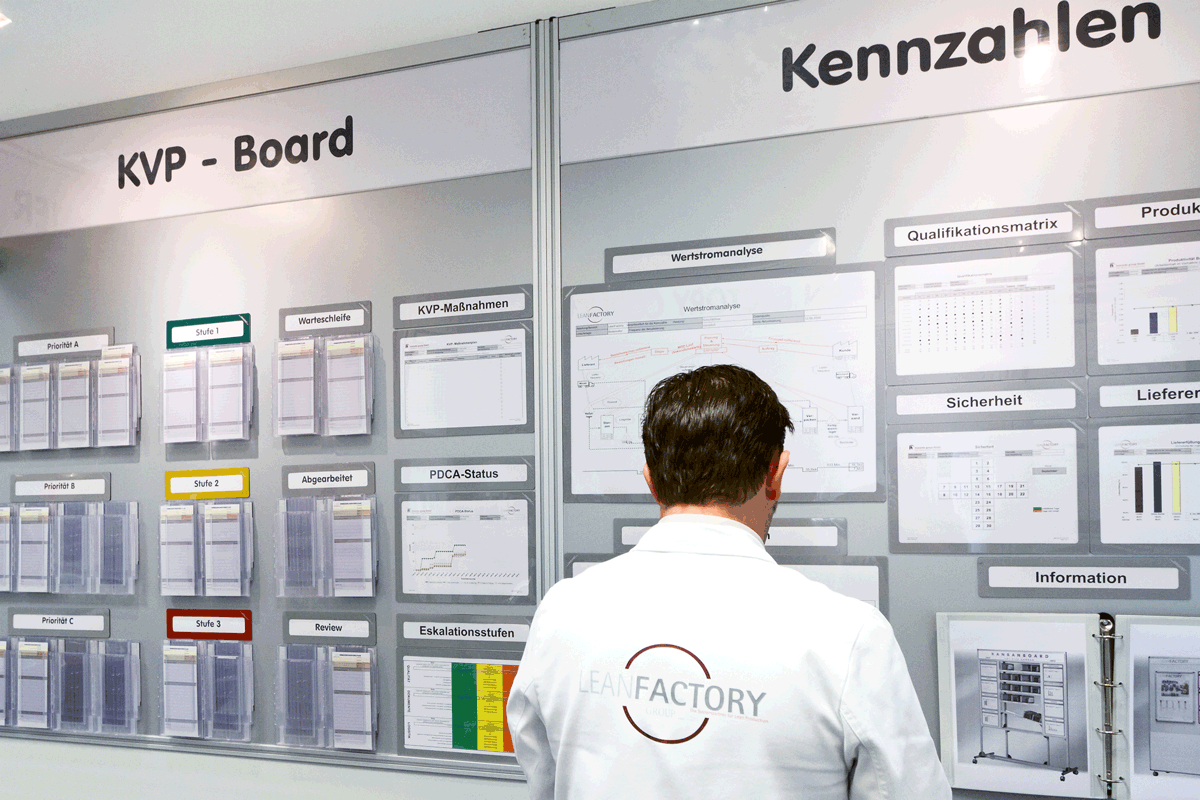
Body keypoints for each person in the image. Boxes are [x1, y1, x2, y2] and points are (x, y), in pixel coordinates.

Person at [506, 364, 952, 800]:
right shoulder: (847, 636)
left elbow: (544, 778)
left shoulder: (562, 611)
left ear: (651, 482)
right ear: (776, 476)